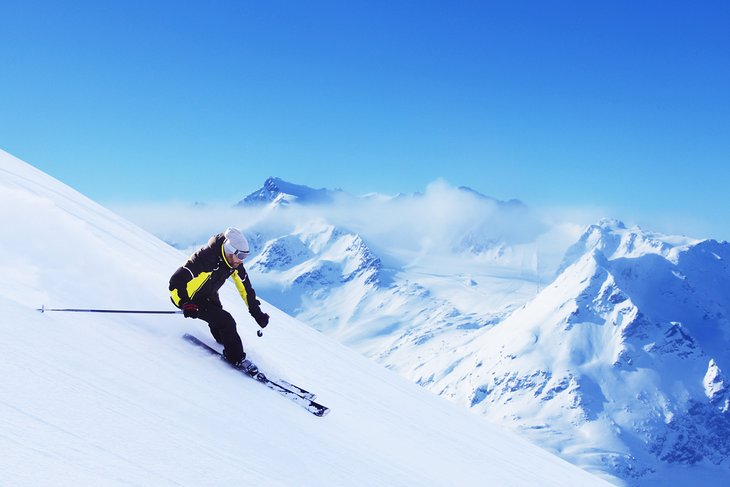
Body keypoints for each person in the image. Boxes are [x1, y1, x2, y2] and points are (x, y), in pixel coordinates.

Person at [169, 227, 269, 367]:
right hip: (188, 298)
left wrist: (256, 313)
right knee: (226, 321)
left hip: (208, 296)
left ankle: (224, 343)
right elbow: (176, 281)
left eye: (245, 256)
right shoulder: (204, 259)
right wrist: (185, 303)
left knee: (220, 322)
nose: (242, 261)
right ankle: (237, 359)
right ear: (229, 250)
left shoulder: (233, 263)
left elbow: (245, 289)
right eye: (240, 256)